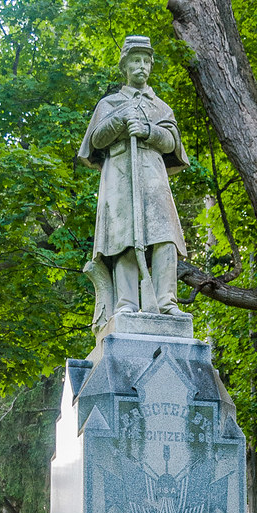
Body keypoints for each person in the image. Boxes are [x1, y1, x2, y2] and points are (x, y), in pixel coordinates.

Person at [79, 35, 189, 320]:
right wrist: (120, 119)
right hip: (119, 176)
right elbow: (96, 140)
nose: (141, 67)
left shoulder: (160, 107)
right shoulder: (111, 102)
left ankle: (167, 301)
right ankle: (126, 302)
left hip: (153, 176)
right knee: (123, 238)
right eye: (135, 61)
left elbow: (172, 143)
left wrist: (148, 131)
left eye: (145, 61)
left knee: (165, 237)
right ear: (125, 67)